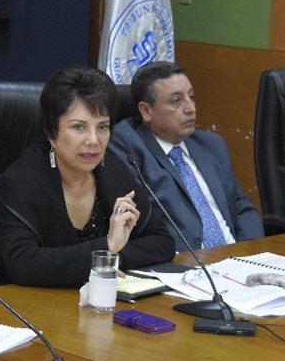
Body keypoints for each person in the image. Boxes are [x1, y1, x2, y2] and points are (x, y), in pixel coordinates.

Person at [0, 65, 175, 286]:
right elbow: (23, 264)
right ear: (51, 133)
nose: (93, 140)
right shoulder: (22, 182)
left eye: (102, 127)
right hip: (24, 305)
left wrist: (111, 260)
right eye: (79, 127)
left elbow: (162, 242)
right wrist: (106, 248)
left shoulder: (113, 170)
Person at [108, 61, 262, 250]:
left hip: (236, 259)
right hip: (184, 264)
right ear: (146, 111)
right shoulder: (127, 147)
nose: (190, 108)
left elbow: (241, 205)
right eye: (176, 101)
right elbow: (142, 222)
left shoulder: (212, 145)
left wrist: (250, 251)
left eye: (191, 97)